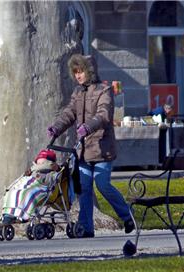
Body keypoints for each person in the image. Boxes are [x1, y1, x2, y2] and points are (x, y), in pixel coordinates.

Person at [46, 54, 135, 238]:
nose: (78, 75)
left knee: (102, 184)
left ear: (90, 71)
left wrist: (88, 126)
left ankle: (127, 216)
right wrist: (56, 128)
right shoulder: (78, 93)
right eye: (75, 72)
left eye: (81, 71)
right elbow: (69, 113)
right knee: (84, 188)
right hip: (83, 151)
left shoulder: (104, 90)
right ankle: (86, 227)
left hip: (102, 148)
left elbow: (104, 114)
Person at [0, 149, 60, 224]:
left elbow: (50, 182)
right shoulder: (34, 171)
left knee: (26, 194)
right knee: (12, 192)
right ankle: (8, 214)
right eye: (39, 162)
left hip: (41, 188)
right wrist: (28, 175)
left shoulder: (51, 173)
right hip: (28, 185)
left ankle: (23, 215)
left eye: (42, 162)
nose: (40, 164)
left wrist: (58, 169)